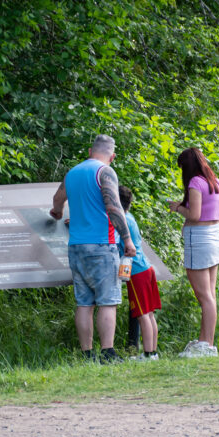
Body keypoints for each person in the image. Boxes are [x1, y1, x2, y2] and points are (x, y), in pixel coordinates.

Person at [51, 134, 136, 364]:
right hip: (102, 245)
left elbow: (57, 199)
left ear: (90, 151)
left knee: (84, 303)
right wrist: (127, 240)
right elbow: (114, 207)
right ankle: (108, 353)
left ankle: (87, 354)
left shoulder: (72, 173)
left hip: (76, 246)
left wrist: (57, 212)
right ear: (113, 156)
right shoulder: (105, 172)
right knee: (108, 301)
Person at [167, 147, 219, 358]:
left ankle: (206, 345)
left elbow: (194, 215)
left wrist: (177, 208)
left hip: (199, 240)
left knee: (204, 297)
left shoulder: (195, 183)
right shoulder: (216, 182)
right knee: (210, 295)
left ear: (187, 167)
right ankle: (205, 342)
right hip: (215, 238)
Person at [117, 186, 162, 361]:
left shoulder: (121, 220)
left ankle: (148, 354)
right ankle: (153, 353)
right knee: (149, 313)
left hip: (136, 271)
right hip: (146, 268)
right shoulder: (130, 217)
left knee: (143, 314)